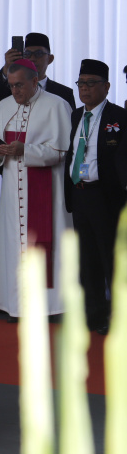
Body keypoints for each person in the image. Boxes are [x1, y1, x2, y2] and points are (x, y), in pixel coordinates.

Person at [0, 59, 72, 317]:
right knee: (14, 243)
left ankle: (50, 306)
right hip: (13, 191)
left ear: (35, 81)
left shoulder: (57, 105)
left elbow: (61, 151)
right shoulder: (4, 106)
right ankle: (13, 305)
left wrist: (26, 150)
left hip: (47, 191)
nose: (15, 92)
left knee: (48, 244)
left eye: (20, 85)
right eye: (11, 86)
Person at [64, 59, 127, 335]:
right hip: (80, 195)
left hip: (107, 198)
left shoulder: (119, 116)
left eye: (91, 83)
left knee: (111, 259)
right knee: (87, 260)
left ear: (107, 86)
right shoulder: (76, 115)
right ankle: (93, 315)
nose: (85, 89)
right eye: (81, 83)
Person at [0, 32, 75, 110]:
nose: (32, 58)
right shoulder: (13, 89)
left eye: (39, 54)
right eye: (27, 54)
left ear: (50, 59)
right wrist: (7, 68)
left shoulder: (64, 94)